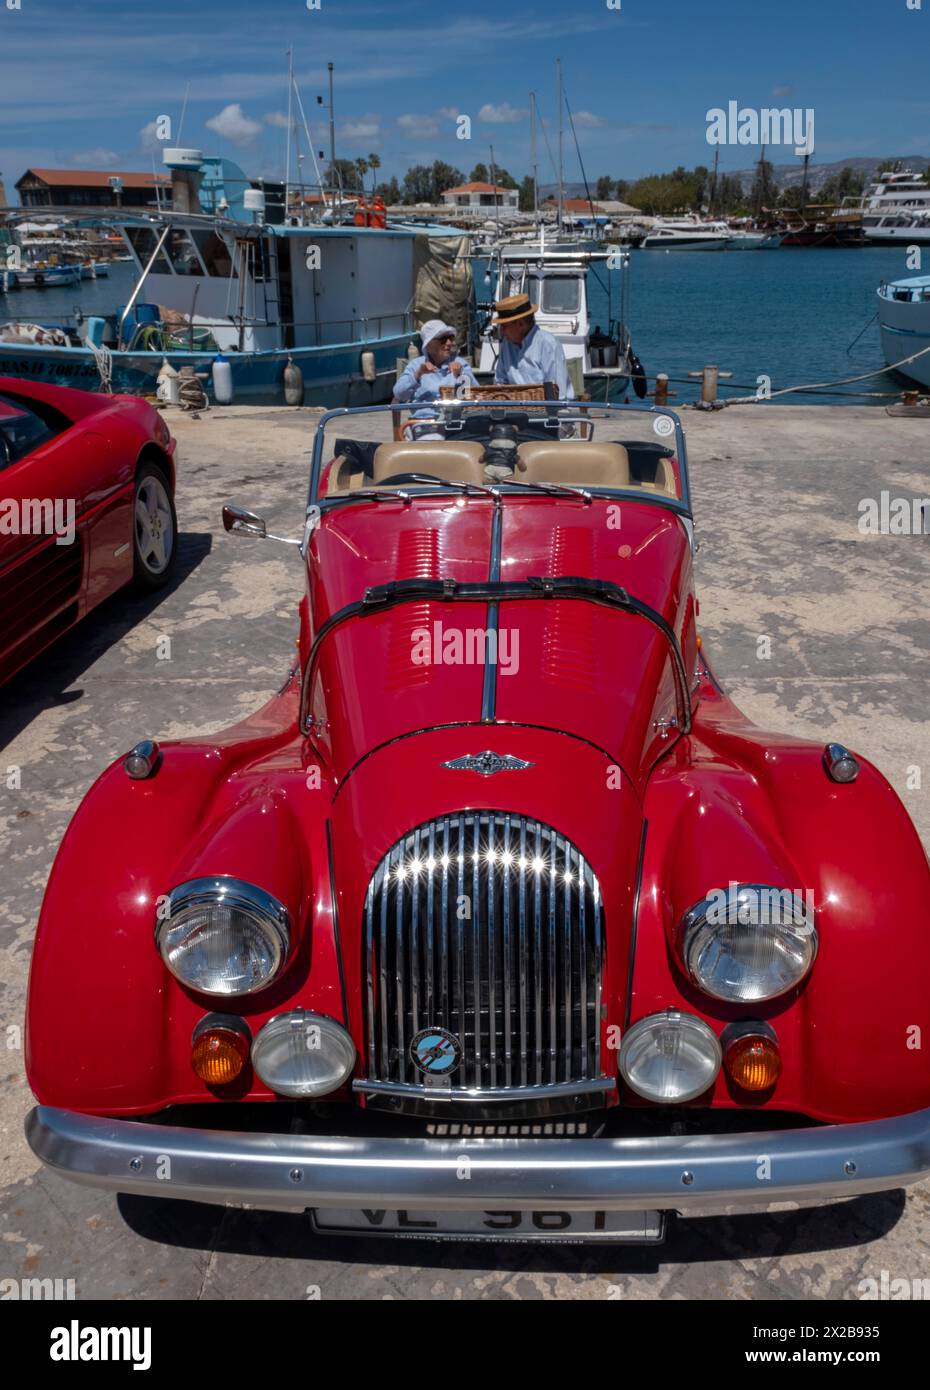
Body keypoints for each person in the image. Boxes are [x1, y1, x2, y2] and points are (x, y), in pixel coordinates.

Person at [392, 320, 477, 438]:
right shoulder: (416, 366)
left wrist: (460, 375)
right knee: (435, 439)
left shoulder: (460, 363)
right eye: (443, 339)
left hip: (456, 424)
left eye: (450, 338)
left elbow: (476, 394)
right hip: (426, 424)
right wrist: (417, 375)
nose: (449, 343)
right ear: (429, 344)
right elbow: (398, 394)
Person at [492, 293, 574, 400]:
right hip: (515, 412)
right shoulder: (506, 345)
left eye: (504, 326)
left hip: (549, 413)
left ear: (521, 324)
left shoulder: (548, 345)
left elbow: (557, 394)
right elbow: (500, 383)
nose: (502, 331)